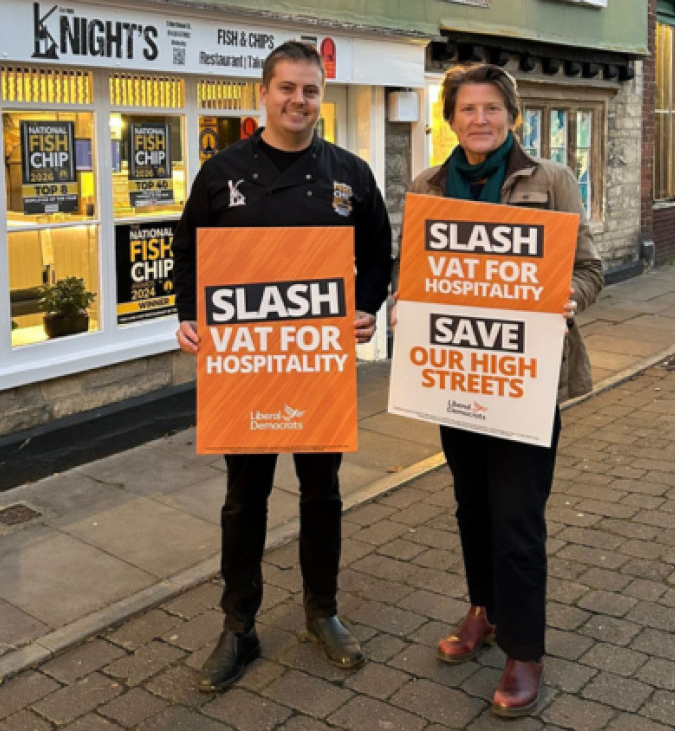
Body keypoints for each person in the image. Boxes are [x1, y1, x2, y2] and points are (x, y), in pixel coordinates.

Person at [173, 40, 393, 693]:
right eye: (287, 88)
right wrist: (189, 311)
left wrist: (370, 306)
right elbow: (188, 248)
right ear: (263, 93)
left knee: (322, 494)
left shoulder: (350, 175)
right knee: (246, 498)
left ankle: (322, 612)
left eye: (311, 90)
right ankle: (238, 625)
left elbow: (380, 249)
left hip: (318, 367)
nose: (298, 100)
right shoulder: (222, 172)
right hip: (244, 370)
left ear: (321, 97)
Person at [400, 63, 603, 717]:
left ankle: (524, 649)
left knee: (517, 515)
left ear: (511, 115)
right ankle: (484, 611)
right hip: (455, 376)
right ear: (450, 117)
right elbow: (414, 276)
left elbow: (590, 267)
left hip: (525, 379)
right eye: (466, 109)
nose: (479, 119)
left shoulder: (551, 182)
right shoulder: (428, 186)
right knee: (471, 506)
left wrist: (572, 294)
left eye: (491, 108)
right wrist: (402, 304)